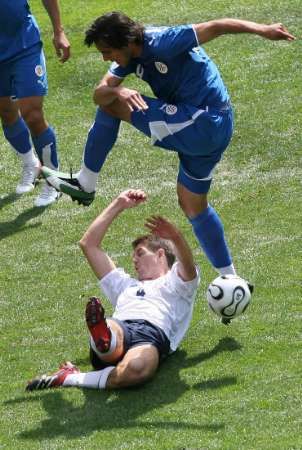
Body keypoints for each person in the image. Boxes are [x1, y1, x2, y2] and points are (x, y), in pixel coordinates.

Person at [41, 12, 295, 272]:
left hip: (202, 121)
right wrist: (118, 89)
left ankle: (86, 183)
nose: (106, 58)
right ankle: (230, 279)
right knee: (192, 203)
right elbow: (99, 93)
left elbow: (216, 26)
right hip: (213, 126)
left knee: (112, 107)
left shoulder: (163, 40)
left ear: (126, 41)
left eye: (107, 51)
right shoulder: (130, 54)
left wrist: (263, 29)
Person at [26, 189, 200, 391]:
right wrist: (118, 203)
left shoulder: (177, 283)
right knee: (111, 337)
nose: (133, 259)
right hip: (122, 326)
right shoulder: (125, 285)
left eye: (140, 253)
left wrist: (176, 237)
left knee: (137, 369)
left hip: (153, 335)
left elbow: (187, 265)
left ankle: (71, 376)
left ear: (160, 255)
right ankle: (104, 337)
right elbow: (89, 244)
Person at [0, 0, 70, 207]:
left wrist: (58, 31)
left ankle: (53, 180)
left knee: (33, 114)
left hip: (24, 45)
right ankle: (31, 163)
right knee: (6, 111)